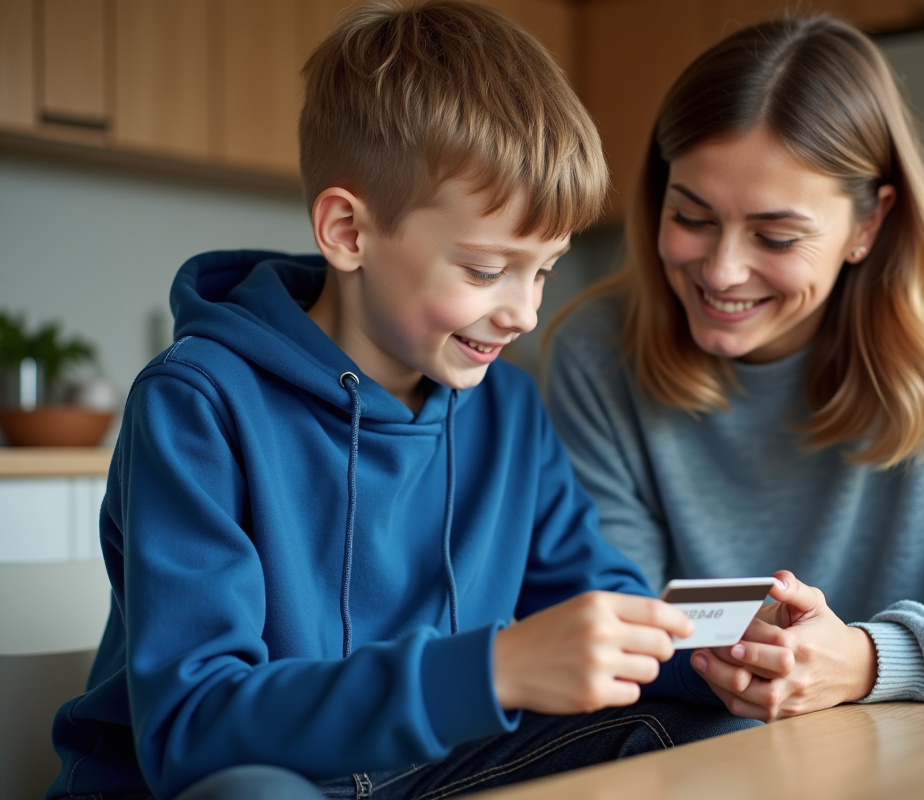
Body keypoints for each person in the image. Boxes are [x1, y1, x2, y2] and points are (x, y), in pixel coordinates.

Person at [45, 4, 760, 799]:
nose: (525, 313)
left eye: (544, 271)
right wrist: (492, 669)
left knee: (706, 725)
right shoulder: (197, 404)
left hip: (434, 773)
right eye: (487, 270)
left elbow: (601, 611)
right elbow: (194, 729)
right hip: (241, 780)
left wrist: (724, 653)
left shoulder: (508, 408)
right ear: (348, 232)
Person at [545, 15, 924, 721]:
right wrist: (744, 665)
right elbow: (615, 622)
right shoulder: (595, 351)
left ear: (868, 225)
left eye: (777, 236)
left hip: (899, 738)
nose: (721, 271)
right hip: (689, 741)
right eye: (692, 218)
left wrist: (869, 659)